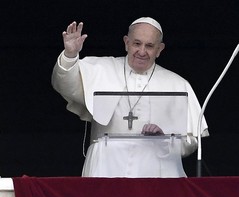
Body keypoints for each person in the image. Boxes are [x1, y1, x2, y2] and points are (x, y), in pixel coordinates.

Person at [52, 17, 209, 178]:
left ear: (160, 49)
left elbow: (190, 141)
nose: (142, 51)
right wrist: (70, 55)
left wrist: (165, 138)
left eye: (149, 46)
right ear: (126, 42)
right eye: (136, 43)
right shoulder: (101, 68)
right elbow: (65, 85)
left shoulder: (177, 84)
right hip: (106, 168)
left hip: (158, 172)